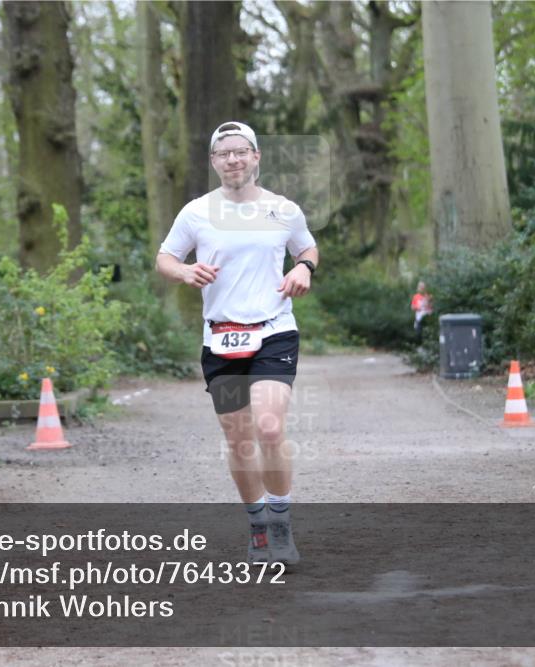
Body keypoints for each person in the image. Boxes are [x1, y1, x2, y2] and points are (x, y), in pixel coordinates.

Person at [156, 122, 318, 565]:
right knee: (239, 438)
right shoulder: (196, 213)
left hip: (273, 329)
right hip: (220, 336)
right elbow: (166, 257)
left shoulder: (283, 210)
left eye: (240, 151)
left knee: (268, 426)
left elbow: (307, 250)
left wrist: (304, 270)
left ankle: (281, 520)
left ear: (256, 156)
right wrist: (185, 272)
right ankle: (259, 525)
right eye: (223, 153)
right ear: (214, 162)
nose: (233, 159)